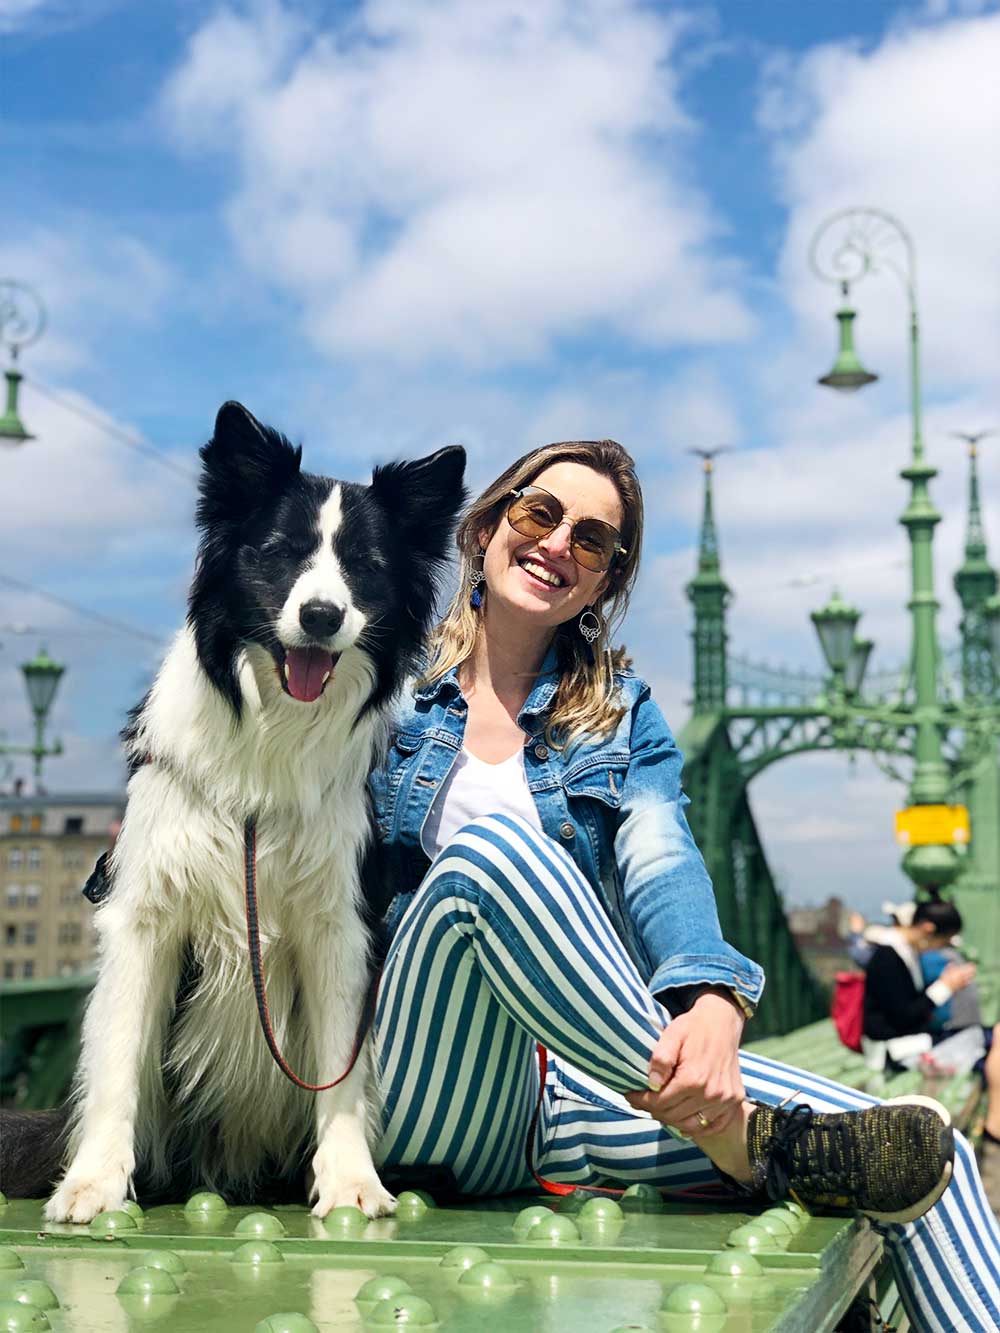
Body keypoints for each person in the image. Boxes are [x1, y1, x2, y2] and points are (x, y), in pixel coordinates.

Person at [367, 438, 1000, 1333]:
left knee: (917, 1152)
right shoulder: (381, 690)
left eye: (593, 541)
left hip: (572, 1093)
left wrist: (708, 1000)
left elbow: (662, 855)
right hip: (417, 1085)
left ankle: (753, 1138)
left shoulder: (620, 713)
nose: (559, 545)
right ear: (484, 526)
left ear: (603, 583)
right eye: (539, 513)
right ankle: (740, 1136)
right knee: (492, 857)